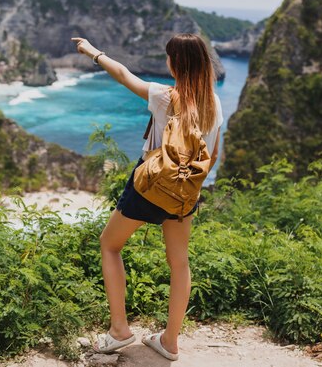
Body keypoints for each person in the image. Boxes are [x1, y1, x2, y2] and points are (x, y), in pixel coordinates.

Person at [70, 34, 223, 361]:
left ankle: (119, 330)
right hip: (186, 189)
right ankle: (169, 341)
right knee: (179, 262)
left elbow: (124, 75)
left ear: (176, 63)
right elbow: (215, 153)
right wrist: (188, 185)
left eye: (169, 57)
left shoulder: (166, 97)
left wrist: (93, 52)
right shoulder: (213, 104)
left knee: (110, 245)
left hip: (151, 183)